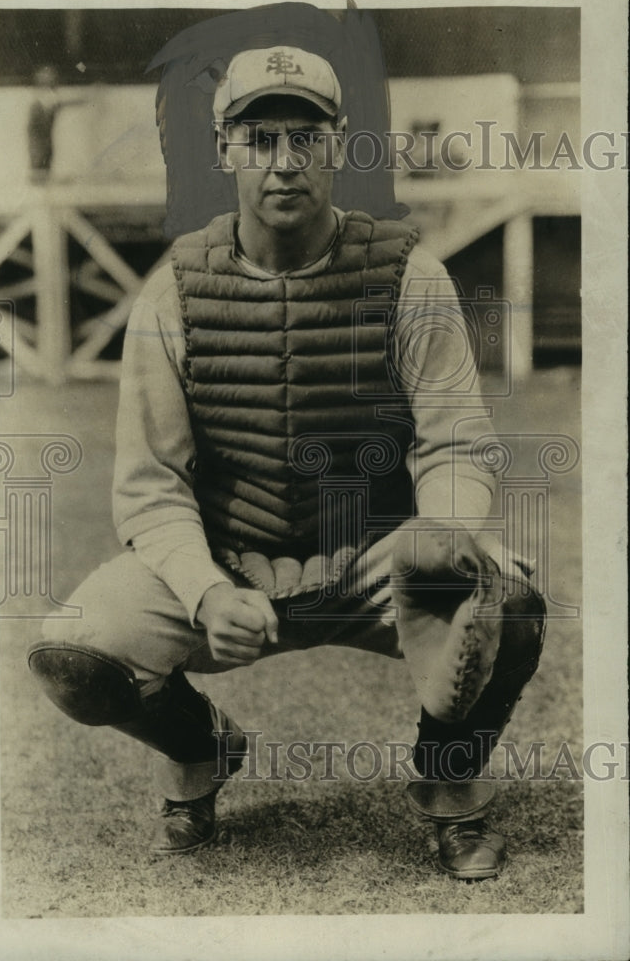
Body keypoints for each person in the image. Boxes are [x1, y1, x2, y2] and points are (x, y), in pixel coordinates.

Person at [28, 45, 545, 880]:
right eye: (260, 137)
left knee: (510, 604)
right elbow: (151, 483)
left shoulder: (410, 278)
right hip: (229, 566)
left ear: (338, 142)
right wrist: (204, 588)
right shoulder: (173, 294)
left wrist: (446, 535)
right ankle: (203, 750)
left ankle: (449, 786)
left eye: (305, 138)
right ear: (224, 147)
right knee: (76, 654)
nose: (284, 163)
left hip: (380, 562)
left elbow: (457, 441)